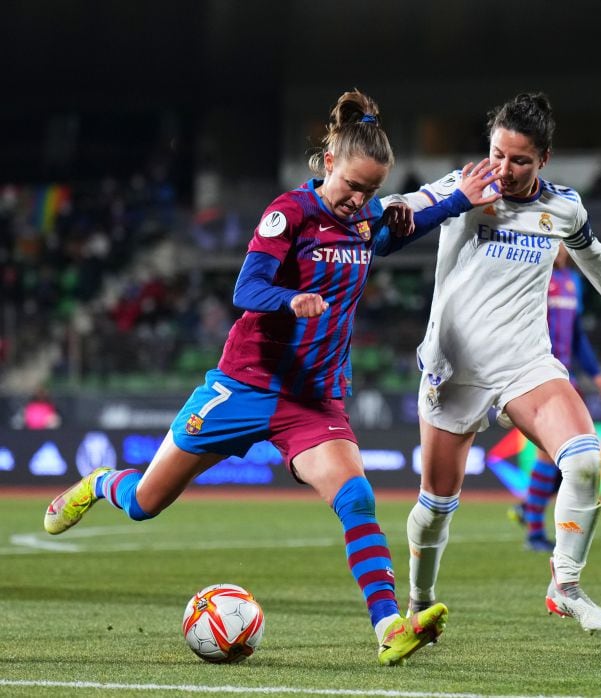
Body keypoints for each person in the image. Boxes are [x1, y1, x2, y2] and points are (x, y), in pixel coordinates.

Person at [41, 89, 500, 666]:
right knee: (144, 502)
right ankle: (99, 482)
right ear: (329, 162)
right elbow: (245, 289)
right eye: (353, 185)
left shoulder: (362, 219)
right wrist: (291, 301)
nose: (360, 200)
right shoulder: (290, 213)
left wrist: (457, 199)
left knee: (356, 496)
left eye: (372, 190)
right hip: (244, 385)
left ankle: (389, 627)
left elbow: (391, 233)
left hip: (312, 400)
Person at [397, 92, 601, 635]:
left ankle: (565, 586)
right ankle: (419, 601)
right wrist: (367, 208)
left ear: (543, 159)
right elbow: (400, 212)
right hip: (455, 371)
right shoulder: (464, 187)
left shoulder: (563, 206)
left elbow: (594, 255)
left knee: (585, 462)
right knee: (437, 503)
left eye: (519, 160)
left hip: (525, 364)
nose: (505, 169)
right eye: (497, 153)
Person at [510, 243, 601, 553]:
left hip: (565, 374)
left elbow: (577, 332)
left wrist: (595, 373)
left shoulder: (573, 282)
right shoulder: (531, 275)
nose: (557, 248)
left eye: (561, 241)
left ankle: (529, 510)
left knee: (566, 453)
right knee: (549, 452)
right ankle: (533, 530)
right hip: (537, 371)